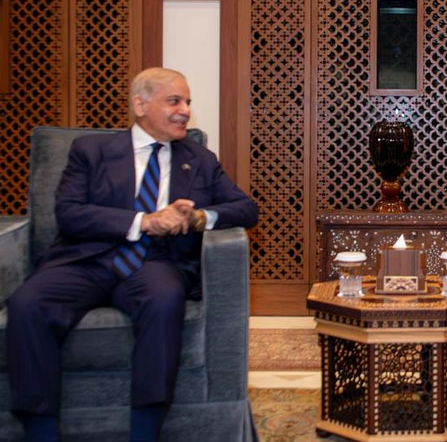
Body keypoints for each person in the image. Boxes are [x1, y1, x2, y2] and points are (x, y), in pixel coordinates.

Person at [5, 67, 259, 442]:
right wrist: (144, 221)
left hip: (156, 262)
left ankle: (145, 430)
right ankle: (41, 432)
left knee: (165, 299)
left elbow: (246, 209)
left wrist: (199, 218)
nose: (185, 111)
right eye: (174, 101)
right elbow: (70, 213)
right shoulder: (91, 151)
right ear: (140, 105)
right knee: (27, 304)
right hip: (85, 258)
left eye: (187, 102)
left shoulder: (199, 158)